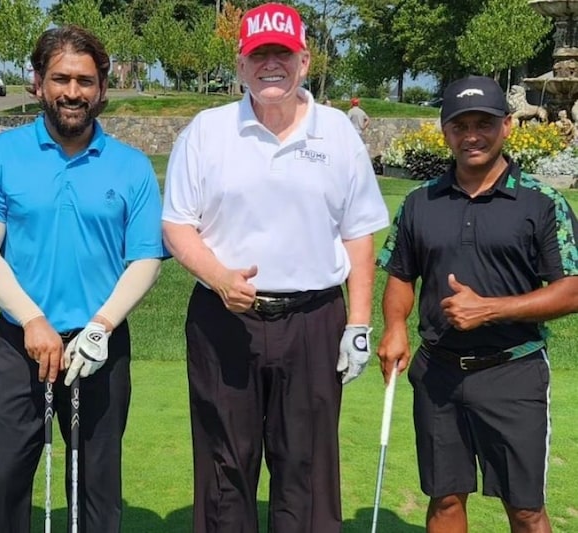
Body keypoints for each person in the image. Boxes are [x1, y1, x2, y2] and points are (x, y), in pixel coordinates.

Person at [161, 3, 390, 532]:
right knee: (225, 465)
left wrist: (358, 324)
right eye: (258, 54)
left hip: (314, 319)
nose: (271, 66)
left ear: (304, 61)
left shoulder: (336, 133)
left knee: (307, 468)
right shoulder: (207, 131)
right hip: (224, 318)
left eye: (282, 55)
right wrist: (219, 277)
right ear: (241, 65)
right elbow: (177, 225)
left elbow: (359, 232)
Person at [0, 25, 164, 533]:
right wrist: (32, 319)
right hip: (19, 343)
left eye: (85, 80)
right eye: (60, 79)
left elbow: (144, 258)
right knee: (6, 479)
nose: (72, 92)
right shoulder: (0, 155)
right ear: (36, 82)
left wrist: (100, 327)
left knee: (97, 486)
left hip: (100, 345)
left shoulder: (132, 167)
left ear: (102, 88)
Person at [377, 75, 578, 533]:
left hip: (514, 372)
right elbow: (401, 274)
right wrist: (394, 326)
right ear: (445, 131)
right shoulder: (419, 202)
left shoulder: (542, 202)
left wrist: (490, 309)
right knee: (445, 499)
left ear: (507, 126)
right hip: (438, 372)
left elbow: (572, 290)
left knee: (525, 508)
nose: (472, 135)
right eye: (460, 124)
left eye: (483, 123)